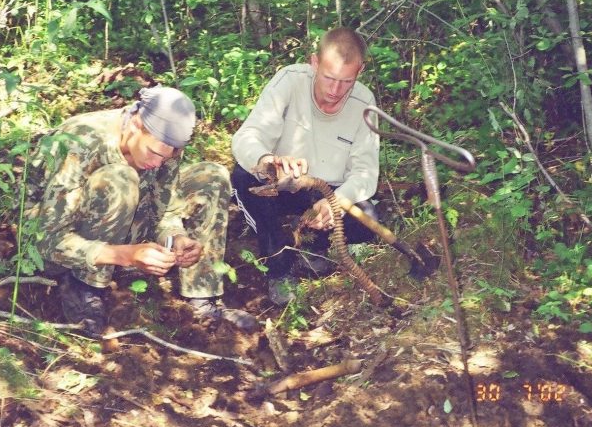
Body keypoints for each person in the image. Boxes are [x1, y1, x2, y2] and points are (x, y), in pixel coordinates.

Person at [25, 86, 257, 334]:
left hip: (127, 224)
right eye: (154, 153)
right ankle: (84, 290)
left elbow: (164, 209)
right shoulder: (81, 142)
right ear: (134, 125)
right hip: (58, 249)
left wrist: (175, 239)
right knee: (120, 178)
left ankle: (202, 298)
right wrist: (124, 255)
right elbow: (45, 240)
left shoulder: (165, 145)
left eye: (166, 158)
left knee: (212, 175)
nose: (158, 163)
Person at [231, 27, 380, 305]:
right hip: (285, 186)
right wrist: (267, 162)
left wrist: (337, 201)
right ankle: (279, 268)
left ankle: (317, 247)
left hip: (327, 194)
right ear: (314, 63)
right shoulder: (290, 81)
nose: (335, 91)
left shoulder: (364, 102)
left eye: (346, 81)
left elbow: (366, 172)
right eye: (328, 78)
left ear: (359, 71)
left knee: (369, 217)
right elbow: (246, 138)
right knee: (244, 177)